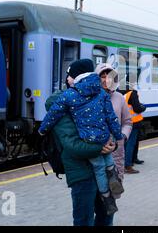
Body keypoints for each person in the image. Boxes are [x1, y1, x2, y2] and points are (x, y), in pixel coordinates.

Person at [39, 59, 124, 216]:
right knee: (94, 218)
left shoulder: (68, 97)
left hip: (87, 160)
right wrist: (115, 139)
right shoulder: (100, 93)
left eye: (69, 75)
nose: (67, 78)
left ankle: (106, 195)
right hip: (83, 170)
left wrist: (42, 130)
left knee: (91, 219)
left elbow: (54, 120)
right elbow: (110, 119)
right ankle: (112, 176)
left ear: (74, 78)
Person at [95, 63, 133, 197]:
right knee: (97, 192)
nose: (106, 80)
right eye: (102, 77)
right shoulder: (90, 97)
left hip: (116, 150)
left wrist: (122, 136)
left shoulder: (119, 98)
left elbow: (127, 122)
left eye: (109, 77)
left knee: (113, 192)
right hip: (97, 150)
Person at [121, 88, 146, 174]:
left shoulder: (121, 93)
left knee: (130, 143)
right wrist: (143, 107)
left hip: (125, 121)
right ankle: (127, 165)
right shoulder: (132, 93)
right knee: (131, 143)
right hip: (134, 122)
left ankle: (134, 159)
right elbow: (137, 108)